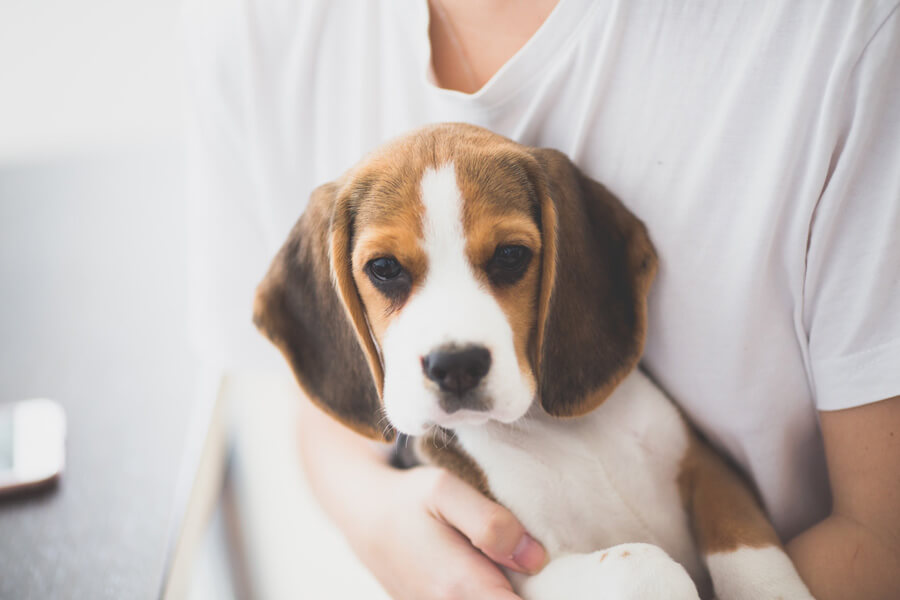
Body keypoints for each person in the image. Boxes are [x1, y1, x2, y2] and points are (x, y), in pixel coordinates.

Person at [183, 1, 900, 598]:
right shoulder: (259, 33)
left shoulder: (846, 36)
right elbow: (324, 411)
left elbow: (881, 538)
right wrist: (378, 519)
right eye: (389, 274)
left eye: (508, 259)